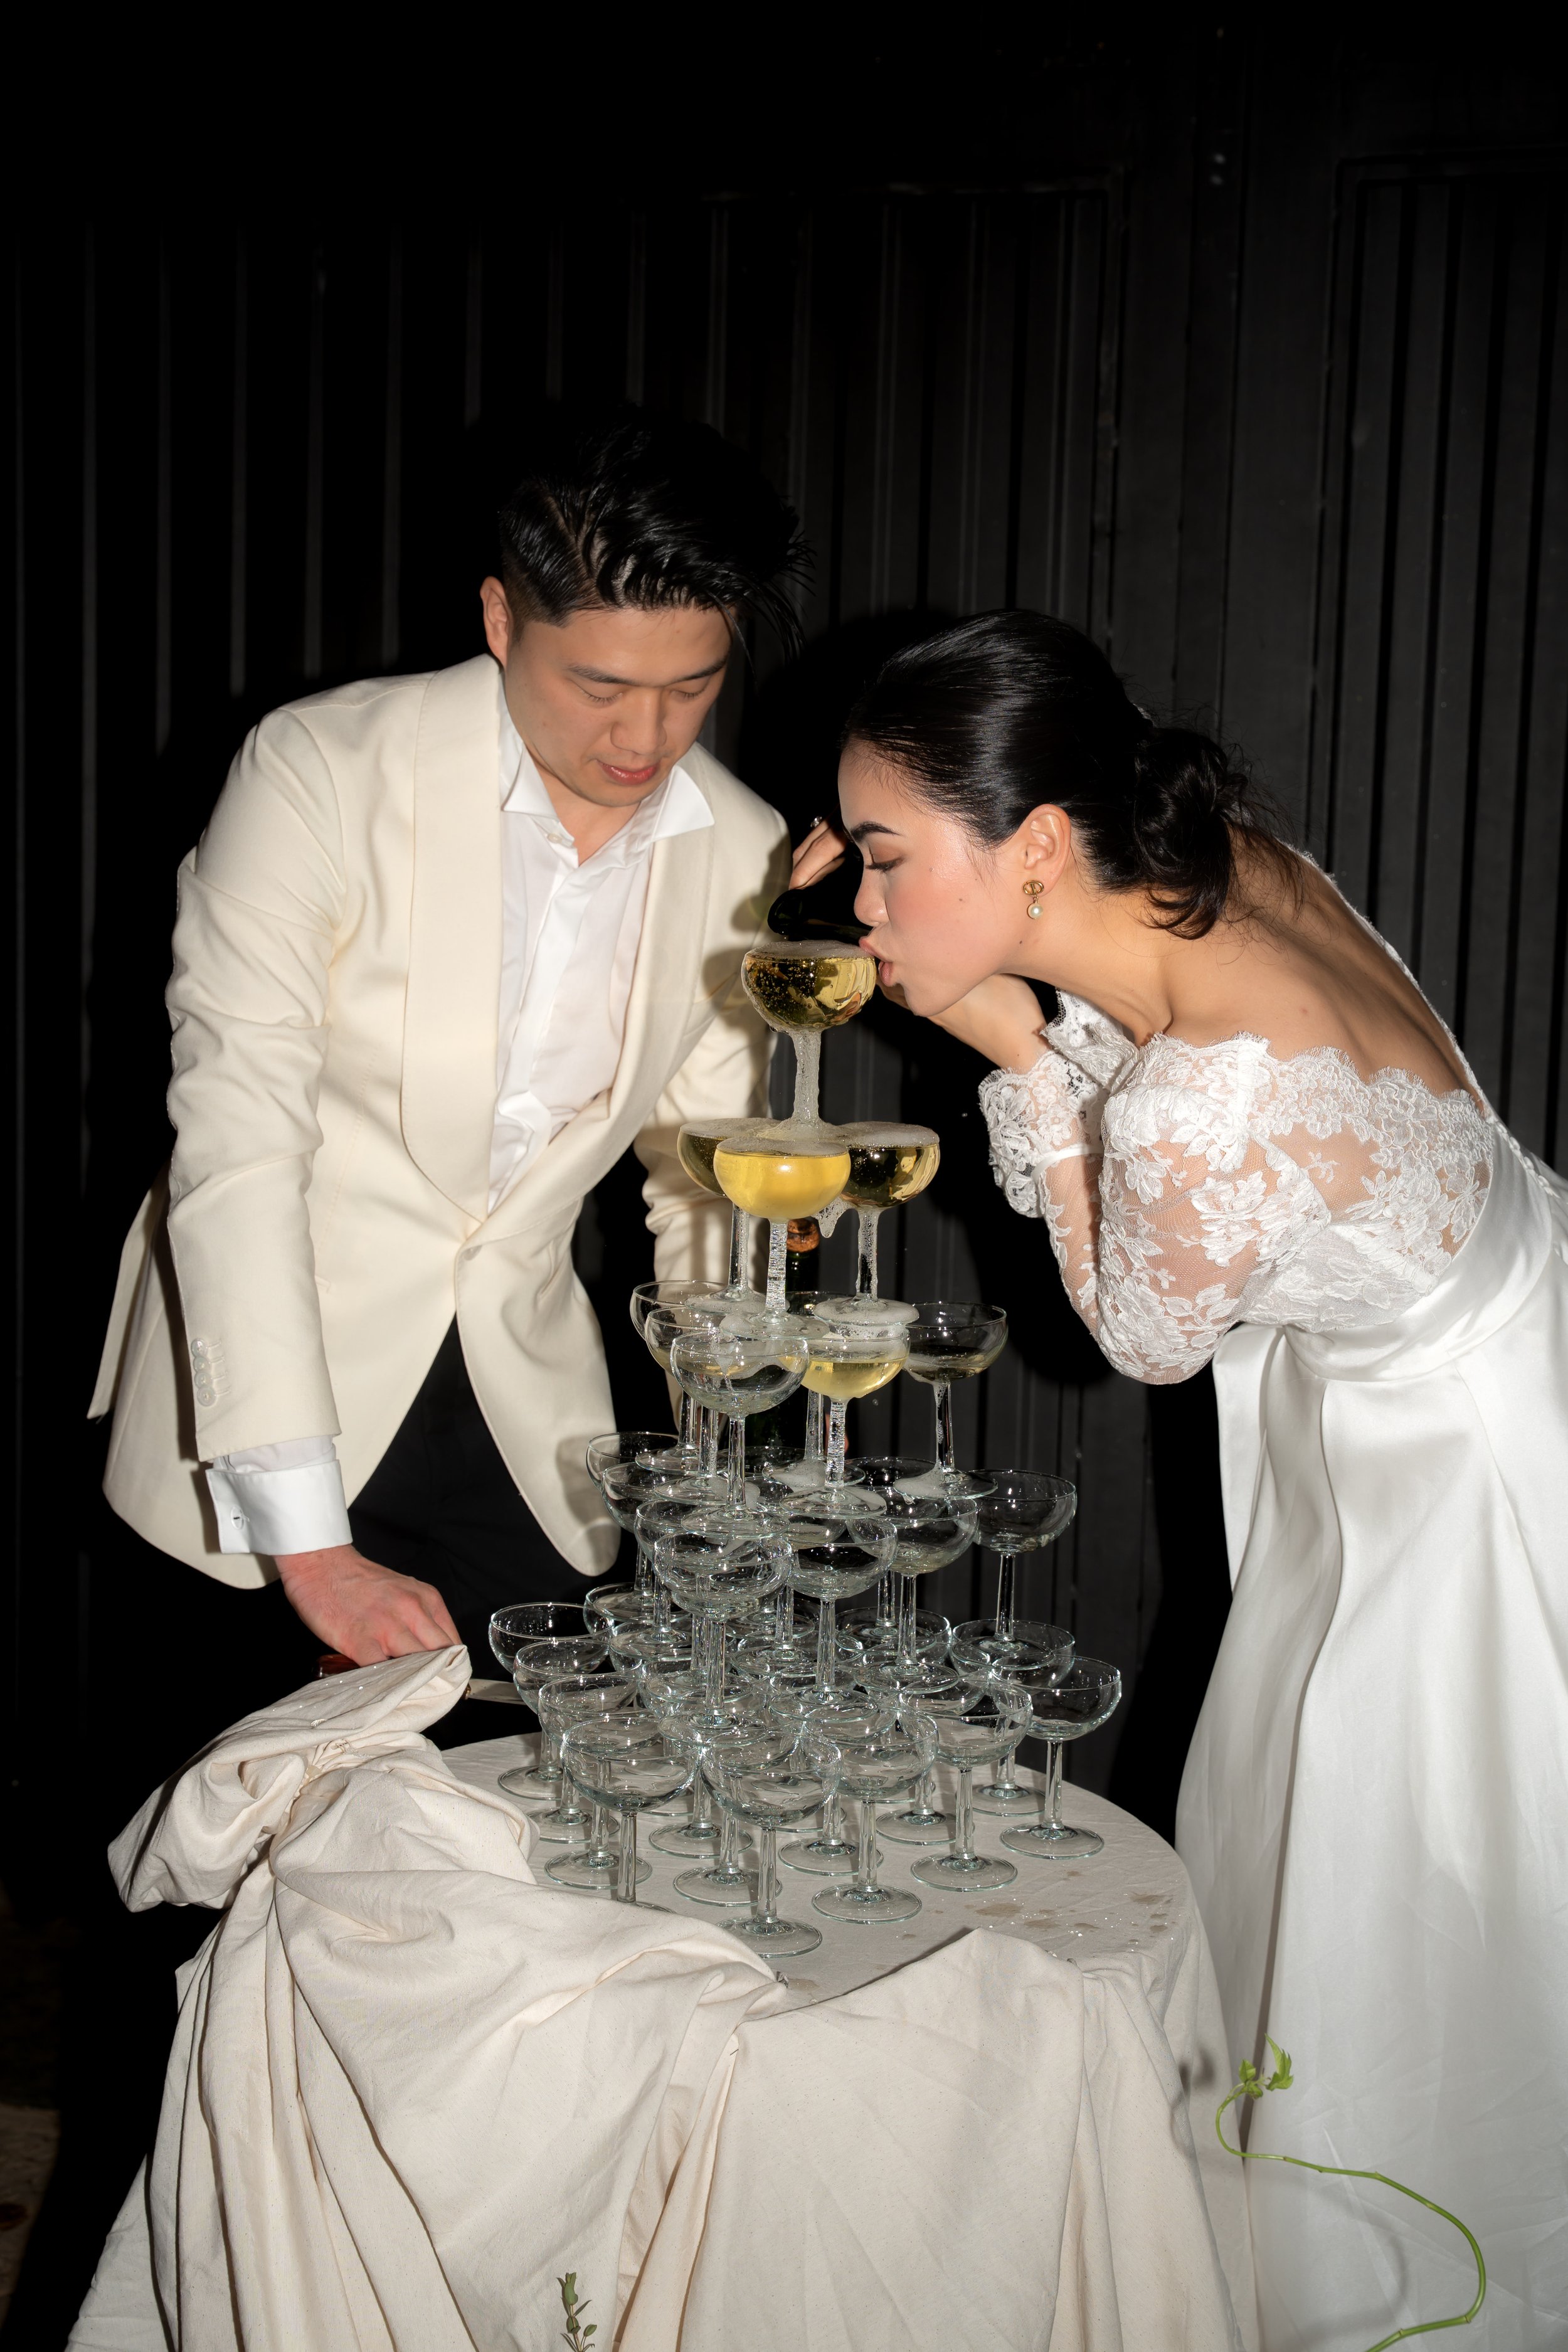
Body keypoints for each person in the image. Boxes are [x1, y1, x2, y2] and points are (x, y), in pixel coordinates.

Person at [793, 609, 1568, 2349]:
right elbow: (1186, 1090)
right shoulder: (1218, 867)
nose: (857, 901)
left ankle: (1428, 2294)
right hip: (1514, 1354)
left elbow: (1135, 1325)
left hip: (1454, 1503)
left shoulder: (1202, 1091)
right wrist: (977, 940)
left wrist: (1002, 1040)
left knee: (1423, 1905)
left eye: (885, 856)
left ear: (1040, 840)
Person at [91, 406, 798, 1680]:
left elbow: (705, 1176)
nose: (644, 742)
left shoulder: (743, 846)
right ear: (497, 620)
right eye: (599, 687)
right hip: (261, 1398)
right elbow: (240, 1138)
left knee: (525, 1829)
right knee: (237, 1839)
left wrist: (720, 1437)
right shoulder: (317, 770)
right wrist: (308, 1549)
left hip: (525, 1416)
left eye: (690, 687)